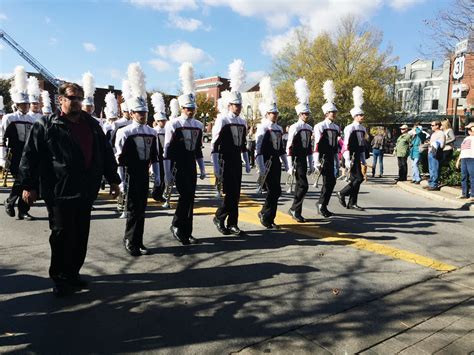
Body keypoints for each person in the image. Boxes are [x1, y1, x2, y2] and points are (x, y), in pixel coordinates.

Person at [19, 82, 121, 296]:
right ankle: (59, 277)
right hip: (58, 191)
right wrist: (28, 185)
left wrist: (113, 179)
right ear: (61, 100)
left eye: (79, 98)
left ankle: (73, 273)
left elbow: (105, 153)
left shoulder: (92, 125)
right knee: (61, 235)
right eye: (72, 98)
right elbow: (30, 156)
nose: (76, 102)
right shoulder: (46, 124)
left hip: (86, 190)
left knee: (81, 234)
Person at [115, 63, 160, 256]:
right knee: (132, 209)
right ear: (132, 113)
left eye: (145, 112)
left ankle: (138, 241)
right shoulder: (124, 132)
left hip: (143, 174)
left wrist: (157, 176)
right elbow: (118, 158)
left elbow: (155, 157)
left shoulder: (151, 131)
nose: (143, 115)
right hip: (130, 174)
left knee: (142, 209)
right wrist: (121, 182)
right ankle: (130, 240)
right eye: (139, 112)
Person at [163, 62, 206, 245]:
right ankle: (179, 226)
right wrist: (166, 173)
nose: (190, 111)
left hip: (191, 165)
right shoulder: (173, 124)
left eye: (193, 108)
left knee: (190, 197)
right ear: (182, 108)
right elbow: (167, 149)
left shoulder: (198, 125)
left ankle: (186, 230)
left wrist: (202, 168)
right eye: (188, 108)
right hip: (178, 165)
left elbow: (198, 150)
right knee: (185, 196)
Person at [211, 59, 251, 236]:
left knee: (236, 194)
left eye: (240, 105)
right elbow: (214, 143)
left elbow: (242, 144)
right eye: (235, 105)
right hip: (225, 159)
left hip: (236, 160)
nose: (238, 107)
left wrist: (247, 160)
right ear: (229, 105)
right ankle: (220, 216)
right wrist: (216, 166)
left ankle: (232, 223)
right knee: (230, 193)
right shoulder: (223, 119)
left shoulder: (242, 121)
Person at [2, 66, 36, 220]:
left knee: (27, 181)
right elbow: (1, 137)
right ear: (16, 104)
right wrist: (2, 157)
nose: (25, 106)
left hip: (28, 152)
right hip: (14, 153)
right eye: (22, 104)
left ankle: (22, 209)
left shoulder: (32, 119)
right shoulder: (9, 118)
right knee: (20, 180)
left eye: (26, 104)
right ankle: (10, 202)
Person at [256, 76, 289, 229]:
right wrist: (260, 166)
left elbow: (281, 148)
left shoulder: (278, 128)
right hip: (267, 162)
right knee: (273, 190)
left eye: (276, 113)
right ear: (267, 114)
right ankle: (266, 215)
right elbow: (259, 148)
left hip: (275, 162)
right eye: (272, 113)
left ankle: (268, 215)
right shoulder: (263, 127)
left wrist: (287, 164)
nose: (275, 115)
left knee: (277, 191)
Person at [286, 78, 314, 222]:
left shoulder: (309, 128)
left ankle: (295, 210)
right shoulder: (294, 127)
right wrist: (289, 165)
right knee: (303, 185)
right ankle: (295, 209)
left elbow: (309, 147)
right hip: (296, 160)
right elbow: (289, 146)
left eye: (307, 114)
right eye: (304, 114)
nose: (306, 116)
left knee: (301, 186)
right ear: (299, 114)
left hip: (304, 159)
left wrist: (311, 163)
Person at [337, 86, 367, 211]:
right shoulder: (350, 128)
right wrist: (347, 159)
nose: (362, 116)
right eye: (359, 115)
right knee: (359, 178)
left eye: (362, 114)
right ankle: (342, 193)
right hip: (351, 156)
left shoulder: (363, 128)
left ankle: (352, 203)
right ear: (354, 116)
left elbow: (362, 145)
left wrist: (364, 159)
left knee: (357, 179)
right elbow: (346, 144)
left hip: (358, 154)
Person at [313, 80, 340, 218]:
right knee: (327, 181)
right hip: (323, 158)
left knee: (332, 182)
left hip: (331, 156)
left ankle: (323, 204)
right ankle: (321, 204)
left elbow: (335, 146)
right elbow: (317, 144)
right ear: (326, 113)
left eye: (334, 112)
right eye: (331, 112)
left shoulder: (336, 127)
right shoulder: (320, 126)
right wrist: (316, 161)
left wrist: (338, 160)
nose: (334, 114)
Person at [151, 92, 167, 202]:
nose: (163, 122)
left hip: (165, 156)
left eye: (164, 120)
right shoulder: (154, 131)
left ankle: (160, 192)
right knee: (159, 176)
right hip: (157, 156)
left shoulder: (167, 130)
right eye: (161, 121)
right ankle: (156, 193)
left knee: (165, 176)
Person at [424, 120, 445, 191]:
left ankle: (434, 184)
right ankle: (431, 183)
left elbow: (441, 145)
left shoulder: (441, 133)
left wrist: (433, 143)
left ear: (437, 126)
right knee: (431, 168)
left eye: (433, 125)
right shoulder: (433, 134)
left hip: (435, 153)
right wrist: (429, 143)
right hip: (430, 152)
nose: (431, 126)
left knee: (435, 168)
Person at [456, 122, 474, 200]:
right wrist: (458, 160)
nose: (469, 130)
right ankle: (464, 193)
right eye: (468, 129)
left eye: (470, 129)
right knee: (464, 176)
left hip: (472, 158)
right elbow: (462, 150)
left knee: (472, 177)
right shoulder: (466, 138)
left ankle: (473, 195)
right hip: (464, 158)